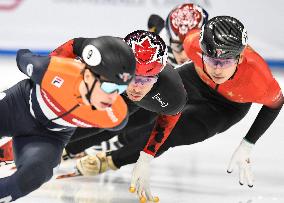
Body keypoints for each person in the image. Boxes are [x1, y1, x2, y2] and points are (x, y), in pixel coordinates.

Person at [74, 15, 283, 201]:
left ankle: (110, 160)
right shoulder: (192, 43)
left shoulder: (259, 79)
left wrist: (248, 143)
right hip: (194, 79)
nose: (217, 69)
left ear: (240, 57)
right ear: (200, 51)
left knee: (177, 132)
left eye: (226, 62)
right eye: (210, 59)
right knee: (139, 108)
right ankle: (73, 142)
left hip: (228, 106)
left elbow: (275, 104)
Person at [50, 30, 187, 202]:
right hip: (115, 85)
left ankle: (64, 147)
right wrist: (49, 68)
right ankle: (60, 144)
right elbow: (75, 45)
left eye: (146, 80)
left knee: (123, 122)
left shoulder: (172, 94)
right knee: (89, 111)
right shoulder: (109, 52)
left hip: (144, 104)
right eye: (134, 78)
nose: (137, 87)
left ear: (158, 77)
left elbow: (169, 118)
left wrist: (146, 157)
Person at [0, 36, 136, 202]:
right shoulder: (53, 70)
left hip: (48, 137)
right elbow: (22, 56)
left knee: (34, 176)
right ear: (87, 76)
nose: (113, 96)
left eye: (121, 88)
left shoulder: (116, 116)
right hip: (17, 107)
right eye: (109, 87)